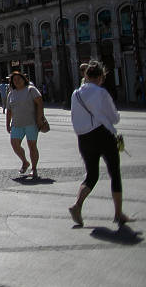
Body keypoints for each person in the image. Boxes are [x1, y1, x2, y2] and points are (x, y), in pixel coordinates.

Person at [68, 61, 130, 226]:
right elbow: (114, 118)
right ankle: (118, 214)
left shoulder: (76, 94)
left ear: (86, 76)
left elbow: (74, 118)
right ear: (101, 77)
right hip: (103, 135)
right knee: (114, 173)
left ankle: (77, 205)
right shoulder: (101, 93)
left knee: (91, 175)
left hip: (84, 138)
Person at [6, 72, 45, 178]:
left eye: (19, 78)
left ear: (24, 79)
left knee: (32, 146)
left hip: (31, 123)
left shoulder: (31, 90)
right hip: (16, 124)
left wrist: (40, 118)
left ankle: (34, 168)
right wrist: (7, 124)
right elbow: (9, 110)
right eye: (14, 80)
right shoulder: (11, 93)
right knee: (15, 145)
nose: (17, 81)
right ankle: (24, 161)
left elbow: (40, 103)